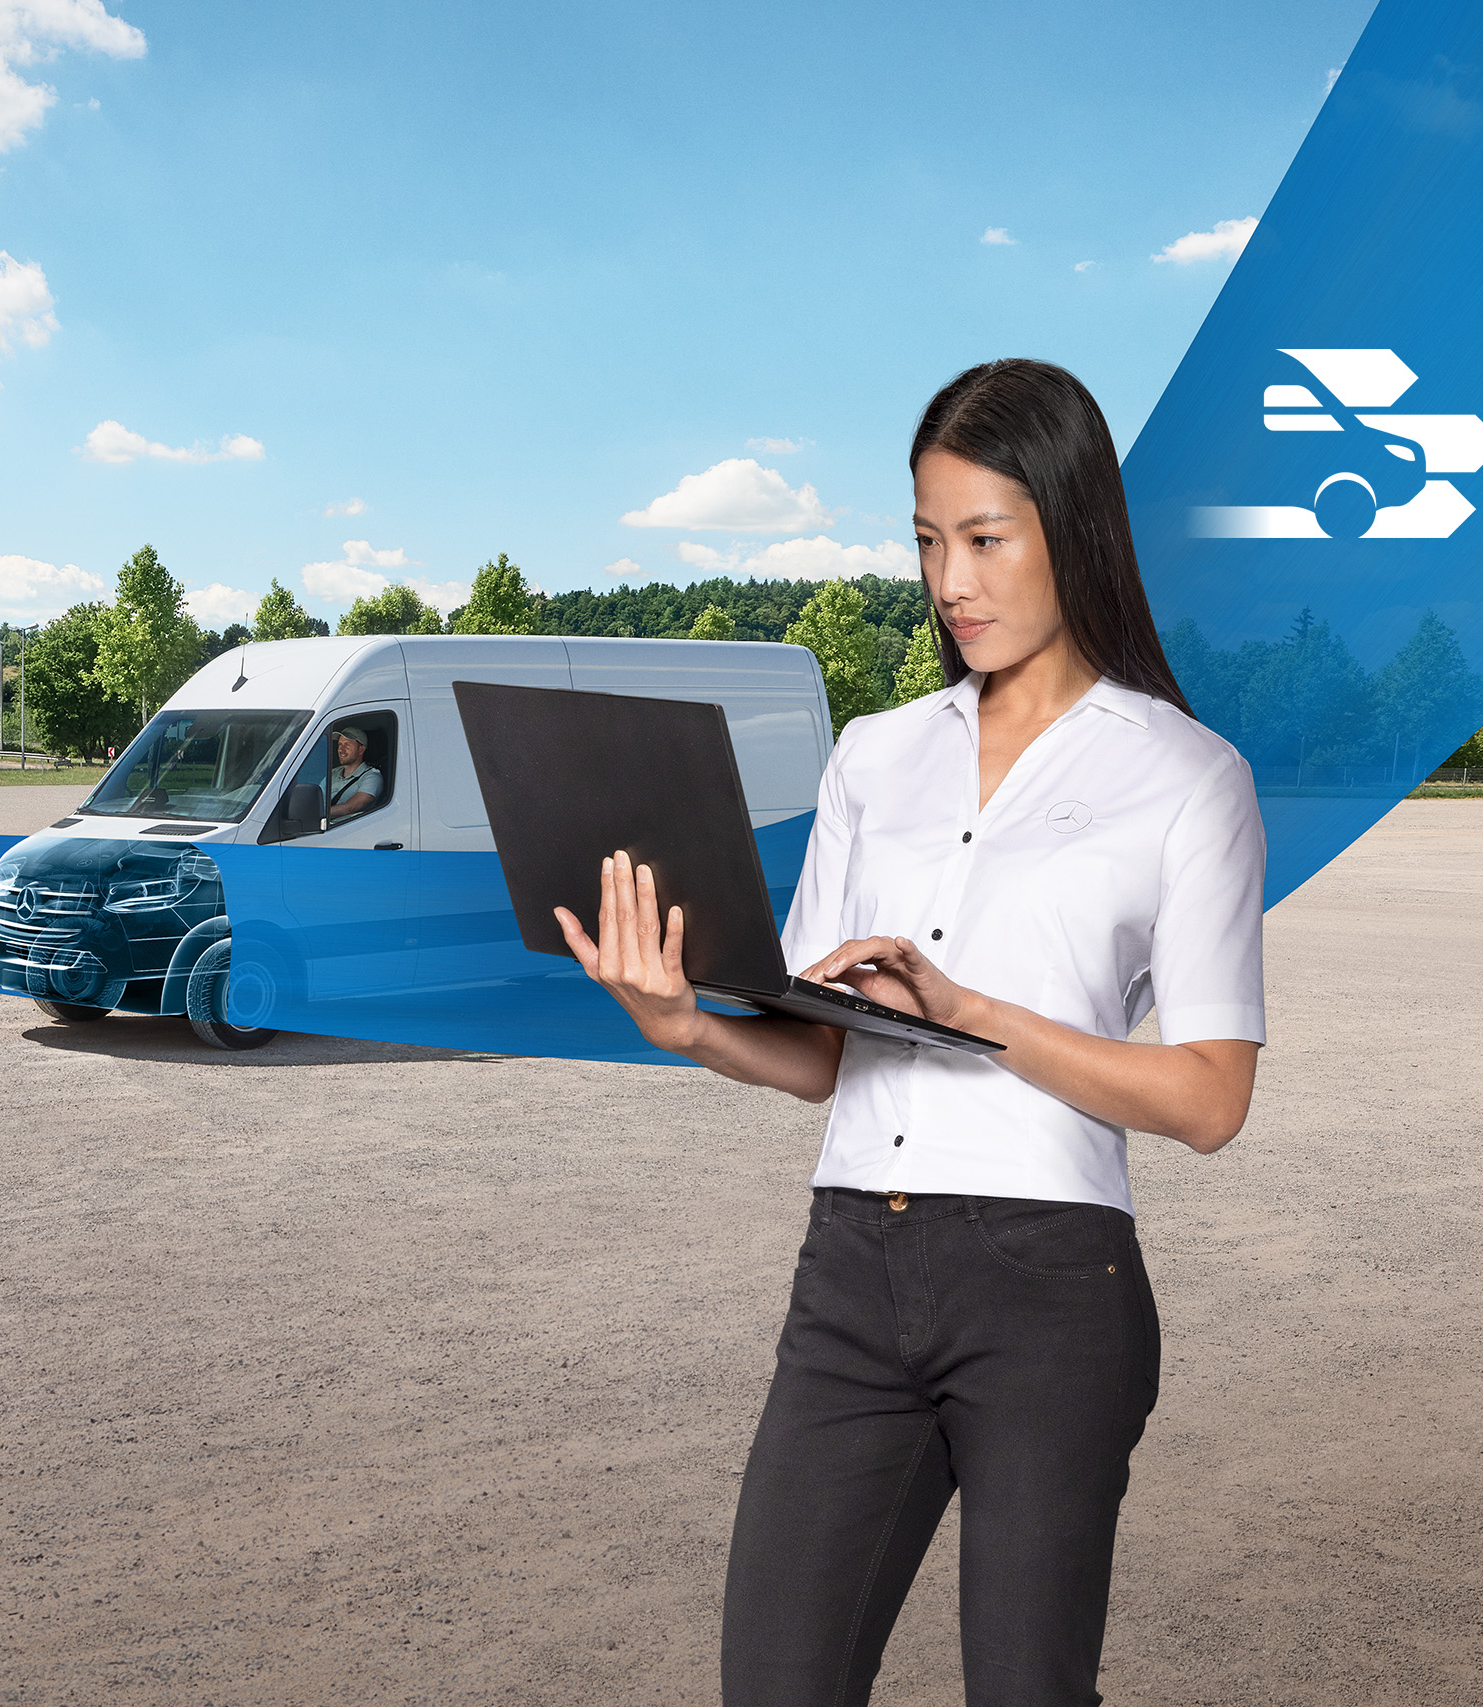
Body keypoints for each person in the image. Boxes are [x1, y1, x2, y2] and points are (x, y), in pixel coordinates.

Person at [554, 358, 1266, 1707]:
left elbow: (1208, 1099)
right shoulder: (872, 756)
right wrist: (684, 1023)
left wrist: (972, 1011)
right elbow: (823, 1053)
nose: (952, 580)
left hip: (1050, 1287)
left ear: (1075, 529)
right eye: (930, 542)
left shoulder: (1185, 776)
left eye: (985, 539)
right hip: (849, 1272)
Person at [328, 725, 382, 818]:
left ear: (361, 749)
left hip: (346, 826)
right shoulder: (333, 773)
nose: (341, 750)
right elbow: (315, 799)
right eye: (340, 744)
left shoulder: (372, 777)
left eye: (347, 745)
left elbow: (349, 808)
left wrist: (316, 815)